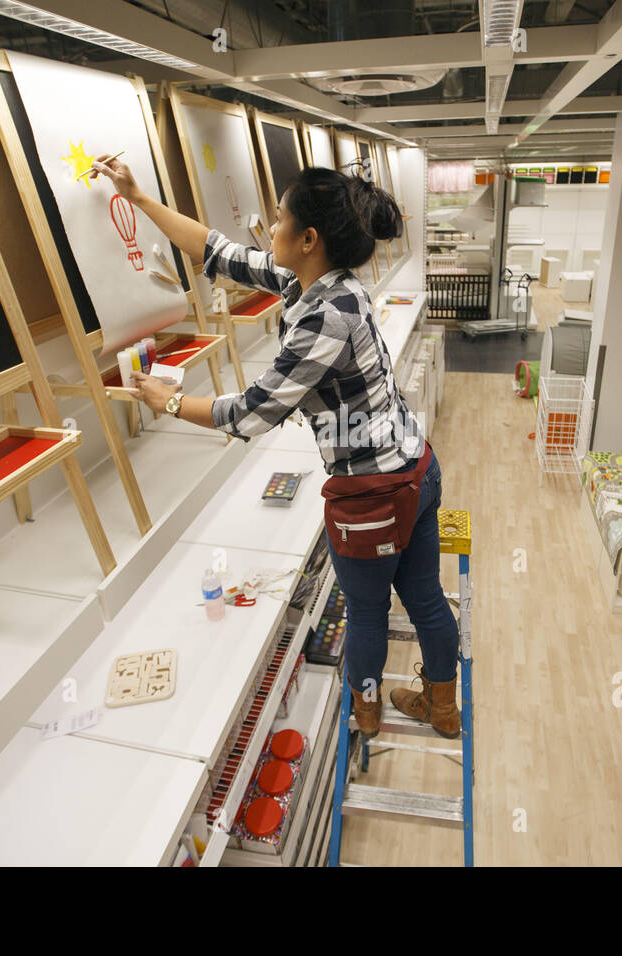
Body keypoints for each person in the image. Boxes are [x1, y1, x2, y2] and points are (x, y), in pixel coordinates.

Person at [87, 155, 461, 738]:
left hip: (373, 494)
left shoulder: (323, 320)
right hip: (417, 467)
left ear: (308, 238)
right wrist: (137, 197)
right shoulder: (321, 282)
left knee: (366, 612)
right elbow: (217, 252)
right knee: (428, 601)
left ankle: (365, 716)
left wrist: (163, 400)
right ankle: (443, 709)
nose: (271, 224)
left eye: (280, 217)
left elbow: (252, 412)